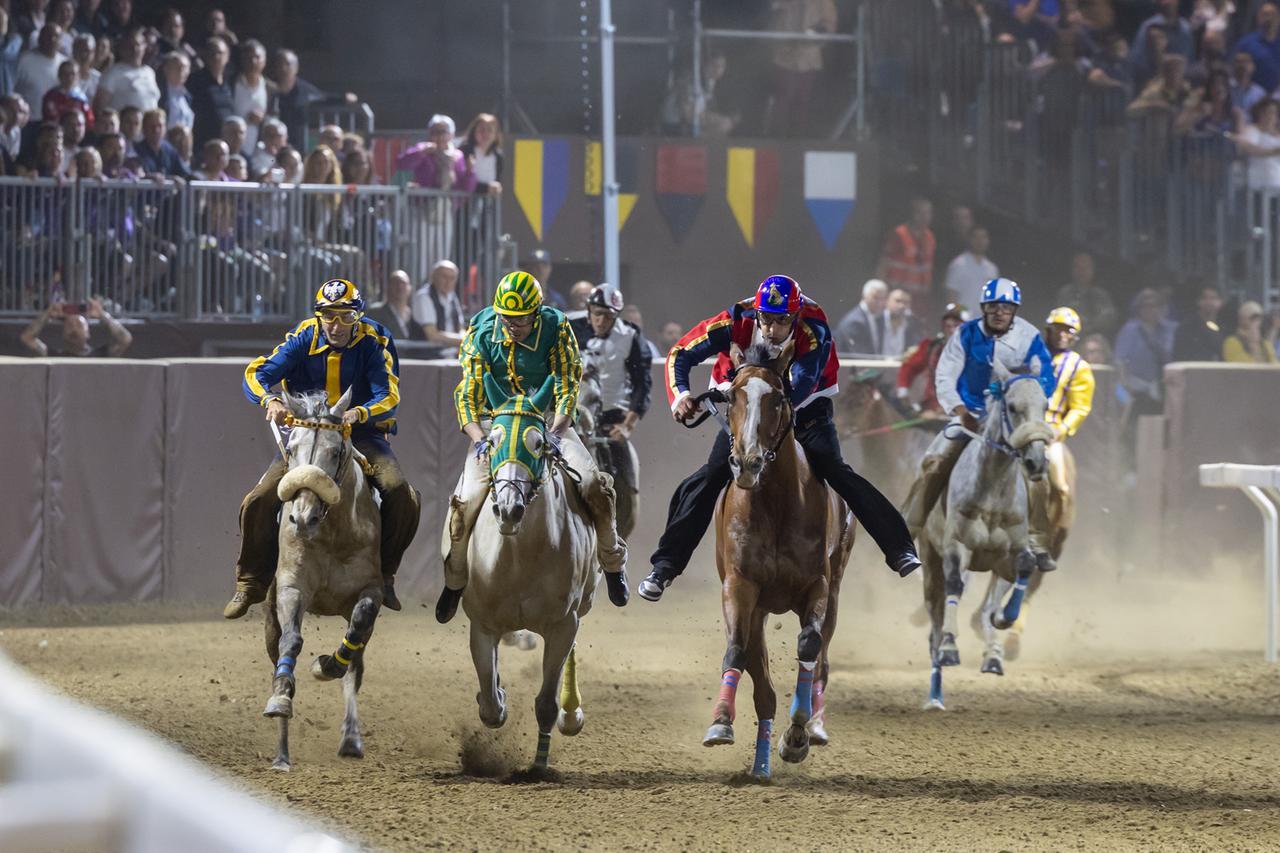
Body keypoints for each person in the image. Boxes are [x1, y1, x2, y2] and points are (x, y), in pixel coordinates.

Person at [638, 275, 922, 602]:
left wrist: (766, 406)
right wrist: (681, 395)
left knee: (834, 469)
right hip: (748, 402)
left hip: (805, 404)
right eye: (767, 320)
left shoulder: (813, 328)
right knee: (712, 474)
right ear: (756, 314)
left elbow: (802, 383)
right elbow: (680, 353)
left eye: (782, 321)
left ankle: (899, 549)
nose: (773, 329)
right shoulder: (735, 318)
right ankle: (665, 566)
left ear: (796, 315)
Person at [436, 271, 631, 623]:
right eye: (507, 319)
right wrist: (479, 441)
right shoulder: (481, 330)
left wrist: (556, 434)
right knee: (463, 504)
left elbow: (568, 385)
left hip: (547, 422)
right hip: (494, 426)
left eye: (521, 320)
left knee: (593, 485)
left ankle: (612, 561)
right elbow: (466, 393)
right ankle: (455, 581)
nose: (513, 326)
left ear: (536, 312)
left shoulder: (556, 328)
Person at [224, 279, 421, 619]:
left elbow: (388, 395)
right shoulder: (303, 336)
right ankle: (251, 581)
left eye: (344, 316)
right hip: (308, 438)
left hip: (361, 434)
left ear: (357, 316)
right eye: (328, 315)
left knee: (399, 492)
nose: (335, 324)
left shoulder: (376, 339)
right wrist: (269, 399)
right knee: (259, 499)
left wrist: (359, 412)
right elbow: (257, 372)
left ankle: (384, 574)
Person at [901, 278, 1058, 537]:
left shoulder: (1029, 336)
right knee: (937, 460)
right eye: (993, 306)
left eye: (1006, 308)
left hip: (1016, 418)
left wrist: (1020, 388)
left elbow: (1047, 377)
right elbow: (945, 376)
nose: (999, 313)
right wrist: (960, 411)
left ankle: (1038, 538)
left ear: (1014, 311)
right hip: (971, 415)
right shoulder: (965, 334)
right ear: (984, 308)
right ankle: (910, 528)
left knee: (1041, 466)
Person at [570, 283, 653, 535]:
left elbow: (642, 384)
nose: (601, 320)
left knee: (625, 476)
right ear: (588, 311)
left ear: (616, 315)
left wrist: (627, 425)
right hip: (571, 417)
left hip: (611, 420)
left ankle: (619, 534)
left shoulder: (631, 336)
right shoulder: (571, 330)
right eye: (597, 313)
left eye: (607, 315)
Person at [1031, 306, 1096, 570]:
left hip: (1050, 434)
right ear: (1048, 330)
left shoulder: (1079, 367)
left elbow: (1080, 406)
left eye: (1068, 331)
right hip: (1019, 425)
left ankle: (1047, 539)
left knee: (1060, 486)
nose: (1062, 335)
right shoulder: (1029, 354)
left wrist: (1063, 429)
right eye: (1058, 329)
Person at [895, 303, 966, 417]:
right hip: (931, 409)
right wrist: (903, 389)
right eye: (948, 325)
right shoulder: (932, 347)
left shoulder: (977, 352)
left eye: (956, 325)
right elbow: (910, 367)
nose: (952, 330)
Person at [877, 198, 937, 319]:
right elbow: (883, 265)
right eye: (921, 213)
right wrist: (882, 295)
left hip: (920, 298)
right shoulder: (898, 234)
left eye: (928, 213)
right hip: (898, 293)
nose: (925, 217)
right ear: (913, 214)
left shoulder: (930, 237)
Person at [19, 297, 131, 356]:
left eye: (79, 325)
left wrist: (102, 314)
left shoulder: (101, 355)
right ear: (63, 333)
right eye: (69, 325)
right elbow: (27, 337)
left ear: (88, 332)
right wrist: (48, 313)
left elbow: (125, 339)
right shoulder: (54, 356)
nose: (73, 329)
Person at [1054, 251, 1119, 341]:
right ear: (1072, 270)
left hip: (1097, 340)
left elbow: (1108, 318)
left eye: (1086, 267)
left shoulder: (1101, 295)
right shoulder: (1065, 293)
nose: (1082, 271)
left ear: (1092, 270)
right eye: (1078, 267)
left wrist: (1090, 325)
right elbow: (1062, 319)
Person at [93, 26, 158, 113]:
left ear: (144, 47)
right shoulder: (112, 73)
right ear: (122, 48)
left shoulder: (150, 72)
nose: (134, 49)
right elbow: (99, 108)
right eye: (130, 46)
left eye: (138, 45)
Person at [411, 259, 465, 352]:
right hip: (428, 359)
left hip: (452, 358)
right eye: (444, 277)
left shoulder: (452, 297)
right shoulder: (424, 297)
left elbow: (460, 328)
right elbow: (432, 335)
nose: (448, 282)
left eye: (452, 278)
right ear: (433, 277)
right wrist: (464, 341)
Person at [942, 224, 999, 304]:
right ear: (969, 239)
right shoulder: (958, 265)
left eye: (983, 237)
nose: (980, 241)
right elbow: (951, 297)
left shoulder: (992, 269)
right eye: (976, 237)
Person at [835, 278, 888, 356]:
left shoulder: (878, 318)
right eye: (875, 298)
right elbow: (861, 356)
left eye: (883, 298)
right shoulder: (854, 322)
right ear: (864, 296)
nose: (879, 303)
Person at [1171, 285, 1224, 361]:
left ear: (1221, 302)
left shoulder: (1225, 327)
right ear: (1198, 301)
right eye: (1204, 298)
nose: (1209, 302)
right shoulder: (1186, 328)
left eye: (1213, 298)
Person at [366, 269, 420, 343]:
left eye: (403, 283)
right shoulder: (376, 312)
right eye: (395, 283)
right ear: (388, 287)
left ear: (410, 288)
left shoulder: (414, 314)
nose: (400, 287)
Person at [882, 288, 924, 358]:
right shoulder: (877, 321)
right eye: (897, 301)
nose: (901, 306)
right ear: (887, 301)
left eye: (906, 302)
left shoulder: (913, 325)